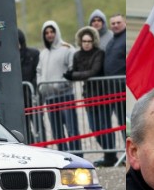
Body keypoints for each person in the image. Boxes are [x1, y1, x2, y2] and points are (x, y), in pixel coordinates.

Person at [37, 20, 81, 154]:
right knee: (56, 131)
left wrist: (59, 85)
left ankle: (77, 154)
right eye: (47, 33)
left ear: (57, 32)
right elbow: (39, 71)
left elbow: (72, 69)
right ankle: (63, 156)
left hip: (65, 95)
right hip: (50, 97)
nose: (49, 35)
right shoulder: (43, 53)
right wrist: (41, 86)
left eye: (52, 32)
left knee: (71, 128)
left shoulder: (67, 49)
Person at [65, 27, 108, 164]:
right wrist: (73, 74)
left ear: (93, 41)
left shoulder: (99, 53)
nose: (87, 43)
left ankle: (110, 155)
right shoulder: (77, 55)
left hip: (101, 95)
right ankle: (108, 153)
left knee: (105, 128)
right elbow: (76, 71)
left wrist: (73, 75)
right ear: (81, 41)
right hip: (88, 95)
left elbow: (93, 72)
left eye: (89, 41)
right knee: (94, 128)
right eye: (84, 41)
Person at [100, 13, 126, 166]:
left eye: (118, 22)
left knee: (125, 124)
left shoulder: (124, 39)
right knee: (118, 124)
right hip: (112, 90)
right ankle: (117, 155)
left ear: (124, 23)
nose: (115, 25)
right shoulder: (112, 40)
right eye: (113, 23)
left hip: (122, 90)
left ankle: (127, 155)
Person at [18, 29, 42, 142]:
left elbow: (38, 73)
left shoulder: (33, 54)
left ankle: (44, 147)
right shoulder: (10, 58)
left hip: (33, 96)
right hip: (19, 99)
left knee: (39, 126)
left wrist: (32, 88)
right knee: (25, 128)